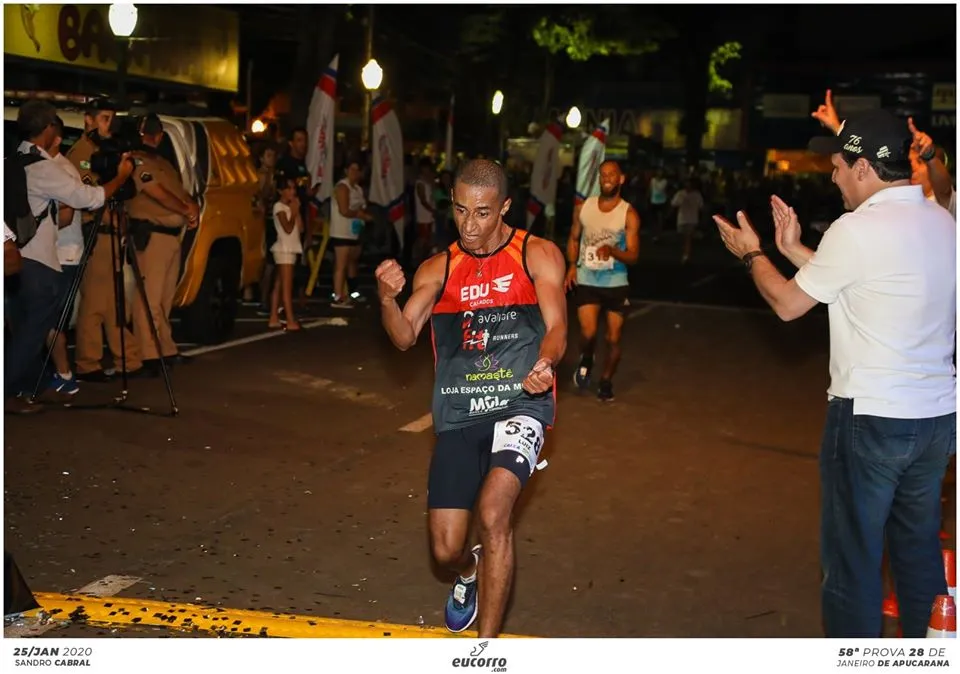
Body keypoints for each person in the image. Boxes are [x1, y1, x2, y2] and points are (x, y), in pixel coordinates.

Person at [713, 109, 956, 638]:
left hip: (870, 418)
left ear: (864, 167)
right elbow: (866, 279)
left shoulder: (857, 228)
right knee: (917, 553)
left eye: (839, 166)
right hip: (935, 420)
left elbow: (787, 305)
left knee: (853, 562)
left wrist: (752, 253)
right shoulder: (942, 220)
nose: (833, 176)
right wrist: (792, 249)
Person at [376, 159, 567, 638]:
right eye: (460, 211)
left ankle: (486, 652)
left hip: (521, 403)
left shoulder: (536, 254)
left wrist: (543, 365)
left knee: (493, 513)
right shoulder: (440, 267)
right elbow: (403, 336)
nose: (468, 224)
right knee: (445, 550)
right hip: (460, 411)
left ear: (503, 207)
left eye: (481, 213)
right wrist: (385, 300)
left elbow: (558, 326)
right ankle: (467, 574)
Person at [6, 99, 133, 414]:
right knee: (35, 331)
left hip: (13, 259)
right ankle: (9, 389)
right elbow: (88, 198)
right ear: (49, 129)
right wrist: (120, 177)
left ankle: (26, 389)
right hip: (38, 260)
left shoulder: (10, 161)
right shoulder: (43, 167)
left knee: (23, 329)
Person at [69, 97, 145, 383]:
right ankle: (89, 363)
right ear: (88, 120)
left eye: (112, 118)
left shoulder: (108, 150)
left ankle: (128, 357)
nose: (108, 124)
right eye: (103, 118)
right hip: (96, 231)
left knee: (113, 302)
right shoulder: (83, 153)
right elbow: (88, 196)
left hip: (112, 231)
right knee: (97, 304)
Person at [128, 114, 200, 374]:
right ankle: (148, 355)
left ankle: (165, 348)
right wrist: (185, 208)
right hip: (152, 236)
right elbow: (155, 191)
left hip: (171, 237)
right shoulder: (136, 160)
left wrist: (192, 209)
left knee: (165, 299)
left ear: (160, 136)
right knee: (149, 298)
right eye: (147, 131)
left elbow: (182, 192)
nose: (151, 135)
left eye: (154, 131)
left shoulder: (164, 163)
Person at [812, 89, 955, 219]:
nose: (914, 169)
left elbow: (945, 191)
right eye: (909, 162)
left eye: (920, 162)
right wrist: (838, 130)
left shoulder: (940, 208)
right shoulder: (893, 204)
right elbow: (868, 152)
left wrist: (929, 156)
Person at [564, 160, 640, 401]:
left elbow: (634, 255)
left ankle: (606, 380)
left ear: (621, 179)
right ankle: (587, 357)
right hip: (587, 279)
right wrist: (571, 267)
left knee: (613, 338)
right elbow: (574, 238)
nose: (607, 178)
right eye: (603, 174)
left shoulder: (628, 214)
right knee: (587, 333)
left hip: (615, 283)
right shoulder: (583, 208)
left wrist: (614, 251)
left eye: (612, 175)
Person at [329, 160, 374, 309]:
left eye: (357, 170)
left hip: (354, 231)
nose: (355, 173)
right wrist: (360, 215)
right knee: (341, 265)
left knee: (352, 262)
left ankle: (353, 293)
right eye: (352, 170)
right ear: (346, 170)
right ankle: (337, 296)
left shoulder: (358, 189)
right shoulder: (342, 186)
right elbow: (344, 210)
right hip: (341, 232)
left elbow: (362, 206)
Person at [268, 175, 303, 330]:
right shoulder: (278, 207)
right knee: (287, 287)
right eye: (288, 188)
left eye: (293, 188)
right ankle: (289, 319)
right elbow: (287, 228)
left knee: (279, 283)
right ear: (280, 191)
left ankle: (274, 317)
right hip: (284, 249)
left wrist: (296, 210)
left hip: (291, 248)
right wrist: (294, 212)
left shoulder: (291, 206)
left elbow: (300, 228)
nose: (292, 191)